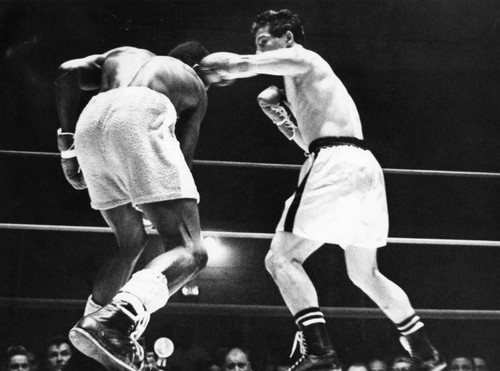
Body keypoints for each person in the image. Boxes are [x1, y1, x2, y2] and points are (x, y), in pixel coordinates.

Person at [199, 9, 446, 371]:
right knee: (365, 274)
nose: (262, 49)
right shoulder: (299, 81)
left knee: (280, 258)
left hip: (336, 163)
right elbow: (310, 140)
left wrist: (204, 68)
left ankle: (319, 350)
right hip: (360, 166)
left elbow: (242, 64)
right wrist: (281, 118)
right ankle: (426, 352)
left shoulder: (304, 57)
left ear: (287, 39)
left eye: (265, 40)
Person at [54, 41, 212, 371]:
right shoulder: (193, 81)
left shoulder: (123, 54)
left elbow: (66, 72)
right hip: (140, 116)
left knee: (131, 243)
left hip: (90, 121)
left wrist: (68, 145)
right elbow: (182, 160)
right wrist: (182, 268)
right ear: (201, 68)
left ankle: (96, 323)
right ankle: (111, 323)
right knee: (191, 250)